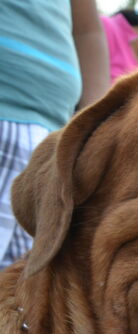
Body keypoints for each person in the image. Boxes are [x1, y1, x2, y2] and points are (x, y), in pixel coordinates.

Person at [0, 0, 110, 269]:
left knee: (20, 288)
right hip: (6, 111)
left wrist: (94, 122)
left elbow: (87, 30)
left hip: (55, 135)